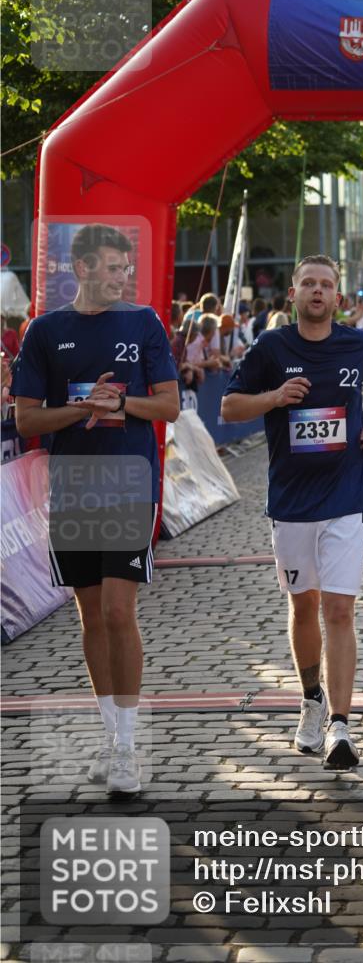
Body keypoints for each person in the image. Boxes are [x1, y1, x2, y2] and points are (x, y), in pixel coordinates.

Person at [11, 223, 179, 794]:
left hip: (129, 481)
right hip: (73, 485)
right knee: (90, 618)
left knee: (116, 611)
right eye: (111, 268)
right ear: (81, 268)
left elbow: (169, 406)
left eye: (125, 269)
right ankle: (111, 739)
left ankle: (128, 746)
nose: (121, 277)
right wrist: (83, 408)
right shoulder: (44, 330)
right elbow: (26, 419)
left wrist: (120, 403)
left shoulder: (143, 322)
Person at [221, 254, 363, 770]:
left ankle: (341, 726)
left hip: (346, 498)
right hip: (292, 501)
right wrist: (275, 397)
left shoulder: (357, 343)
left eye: (326, 285)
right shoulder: (271, 347)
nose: (317, 291)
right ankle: (311, 698)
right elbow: (229, 407)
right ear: (293, 294)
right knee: (303, 607)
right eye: (308, 284)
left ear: (338, 297)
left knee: (339, 610)